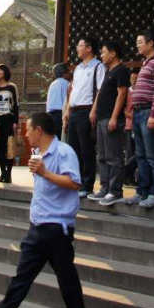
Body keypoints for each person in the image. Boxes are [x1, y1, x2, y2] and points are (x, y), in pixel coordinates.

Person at [0, 112, 85, 308]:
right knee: (23, 275)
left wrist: (45, 173)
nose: (26, 134)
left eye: (29, 130)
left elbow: (75, 182)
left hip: (57, 227)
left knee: (67, 280)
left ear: (39, 130)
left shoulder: (64, 152)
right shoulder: (37, 153)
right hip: (38, 225)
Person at [127, 30, 154, 209]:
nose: (137, 45)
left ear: (151, 43)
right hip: (138, 113)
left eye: (140, 42)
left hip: (148, 112)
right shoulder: (146, 62)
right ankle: (142, 192)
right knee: (141, 155)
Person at [88, 41, 129, 206]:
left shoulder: (121, 70)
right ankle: (104, 188)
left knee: (114, 156)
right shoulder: (108, 71)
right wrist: (93, 110)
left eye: (104, 52)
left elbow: (122, 94)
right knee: (102, 155)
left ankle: (115, 191)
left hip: (112, 119)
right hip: (101, 118)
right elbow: (100, 93)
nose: (101, 55)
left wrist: (114, 117)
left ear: (113, 53)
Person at [64, 37, 105, 198]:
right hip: (74, 111)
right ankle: (76, 182)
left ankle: (87, 185)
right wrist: (67, 110)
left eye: (80, 45)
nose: (77, 48)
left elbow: (100, 90)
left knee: (86, 149)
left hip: (86, 110)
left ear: (89, 48)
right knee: (73, 149)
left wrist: (93, 110)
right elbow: (73, 90)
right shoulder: (78, 68)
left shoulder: (98, 66)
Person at [0, 64, 19, 184]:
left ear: (5, 72)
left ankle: (9, 174)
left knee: (9, 147)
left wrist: (15, 122)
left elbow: (16, 105)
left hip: (9, 119)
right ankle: (2, 173)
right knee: (0, 148)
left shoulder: (12, 87)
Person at [45, 63, 70, 140]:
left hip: (50, 115)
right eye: (68, 72)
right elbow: (67, 100)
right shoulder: (66, 83)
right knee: (62, 138)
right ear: (64, 73)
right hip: (60, 114)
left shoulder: (52, 84)